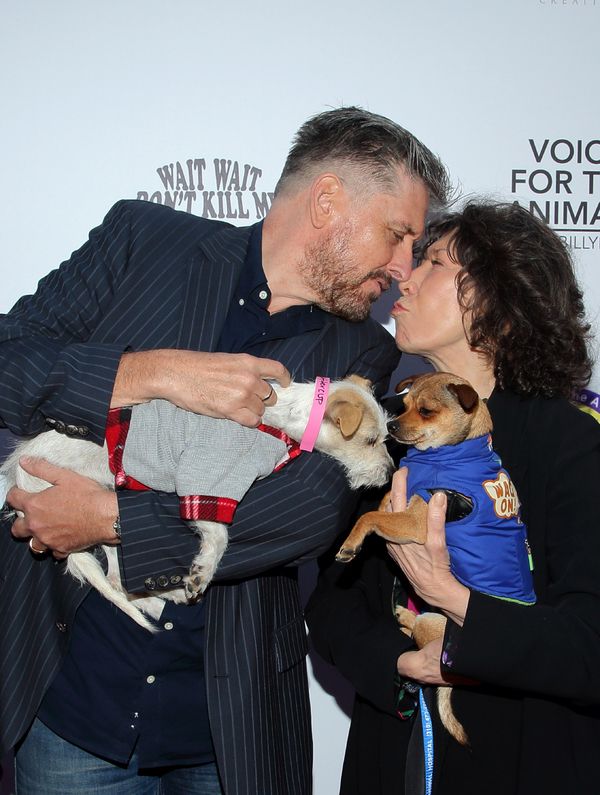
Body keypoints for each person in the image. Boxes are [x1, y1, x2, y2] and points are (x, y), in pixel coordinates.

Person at [0, 107, 449, 795]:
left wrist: (106, 516)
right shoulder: (143, 240)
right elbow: (9, 362)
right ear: (328, 201)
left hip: (229, 731)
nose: (402, 268)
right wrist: (152, 374)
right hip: (70, 709)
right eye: (397, 234)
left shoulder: (362, 349)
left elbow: (307, 508)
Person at [306, 201, 600, 795]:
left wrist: (456, 601)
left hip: (523, 758)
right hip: (392, 755)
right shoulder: (383, 428)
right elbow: (332, 602)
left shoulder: (572, 441)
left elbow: (590, 644)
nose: (403, 278)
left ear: (496, 300)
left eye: (434, 263)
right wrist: (400, 662)